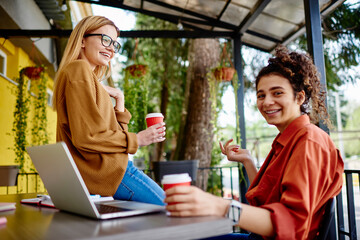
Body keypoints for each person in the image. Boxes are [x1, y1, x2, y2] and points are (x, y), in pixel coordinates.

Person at [164, 46, 344, 239]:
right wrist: (248, 162)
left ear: (299, 97)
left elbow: (291, 224)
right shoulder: (289, 139)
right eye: (261, 95)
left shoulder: (309, 141)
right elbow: (266, 204)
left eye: (277, 93)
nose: (266, 102)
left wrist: (219, 206)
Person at [52, 16, 166, 205]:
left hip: (114, 171)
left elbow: (113, 138)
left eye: (115, 44)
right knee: (174, 211)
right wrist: (138, 139)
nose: (112, 49)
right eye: (105, 40)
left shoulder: (87, 79)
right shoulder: (78, 70)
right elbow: (88, 136)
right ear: (82, 40)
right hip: (112, 173)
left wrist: (119, 100)